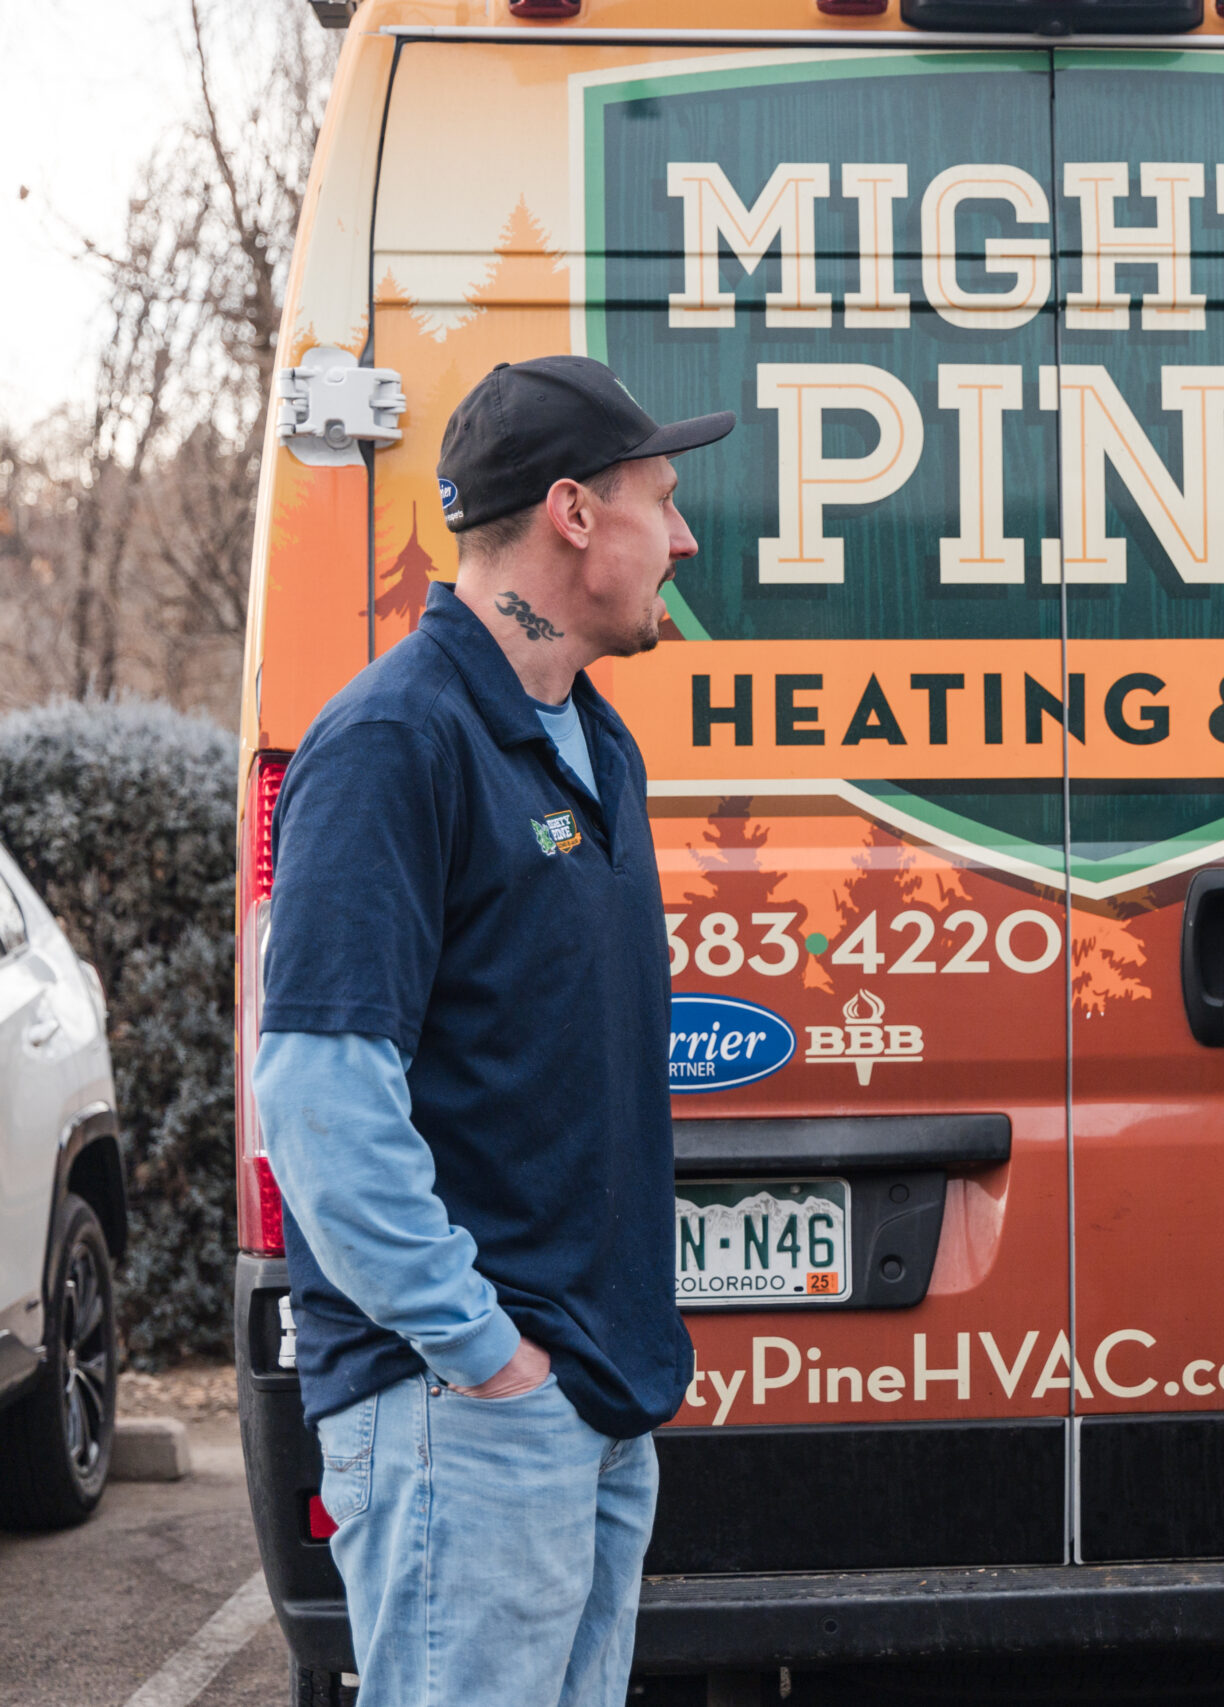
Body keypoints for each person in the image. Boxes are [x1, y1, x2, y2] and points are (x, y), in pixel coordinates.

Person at [253, 356, 733, 1706]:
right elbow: (321, 1099)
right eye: (662, 498)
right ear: (574, 512)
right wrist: (485, 1357)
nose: (685, 538)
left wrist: (563, 1377)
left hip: (589, 1395)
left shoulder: (591, 741)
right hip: (466, 1410)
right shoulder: (393, 739)